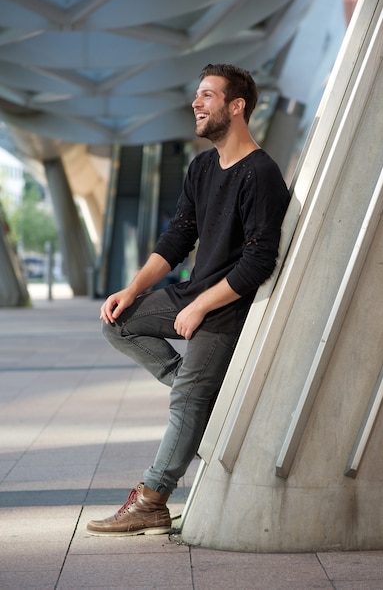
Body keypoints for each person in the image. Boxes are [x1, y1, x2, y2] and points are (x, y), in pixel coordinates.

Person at [87, 63, 290, 536]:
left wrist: (201, 307)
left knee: (185, 403)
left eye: (206, 96)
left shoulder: (260, 173)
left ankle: (153, 499)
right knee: (117, 322)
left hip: (228, 307)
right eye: (196, 96)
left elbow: (260, 263)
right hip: (192, 293)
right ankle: (204, 398)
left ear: (235, 107)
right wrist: (132, 289)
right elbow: (178, 238)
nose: (195, 104)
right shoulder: (201, 167)